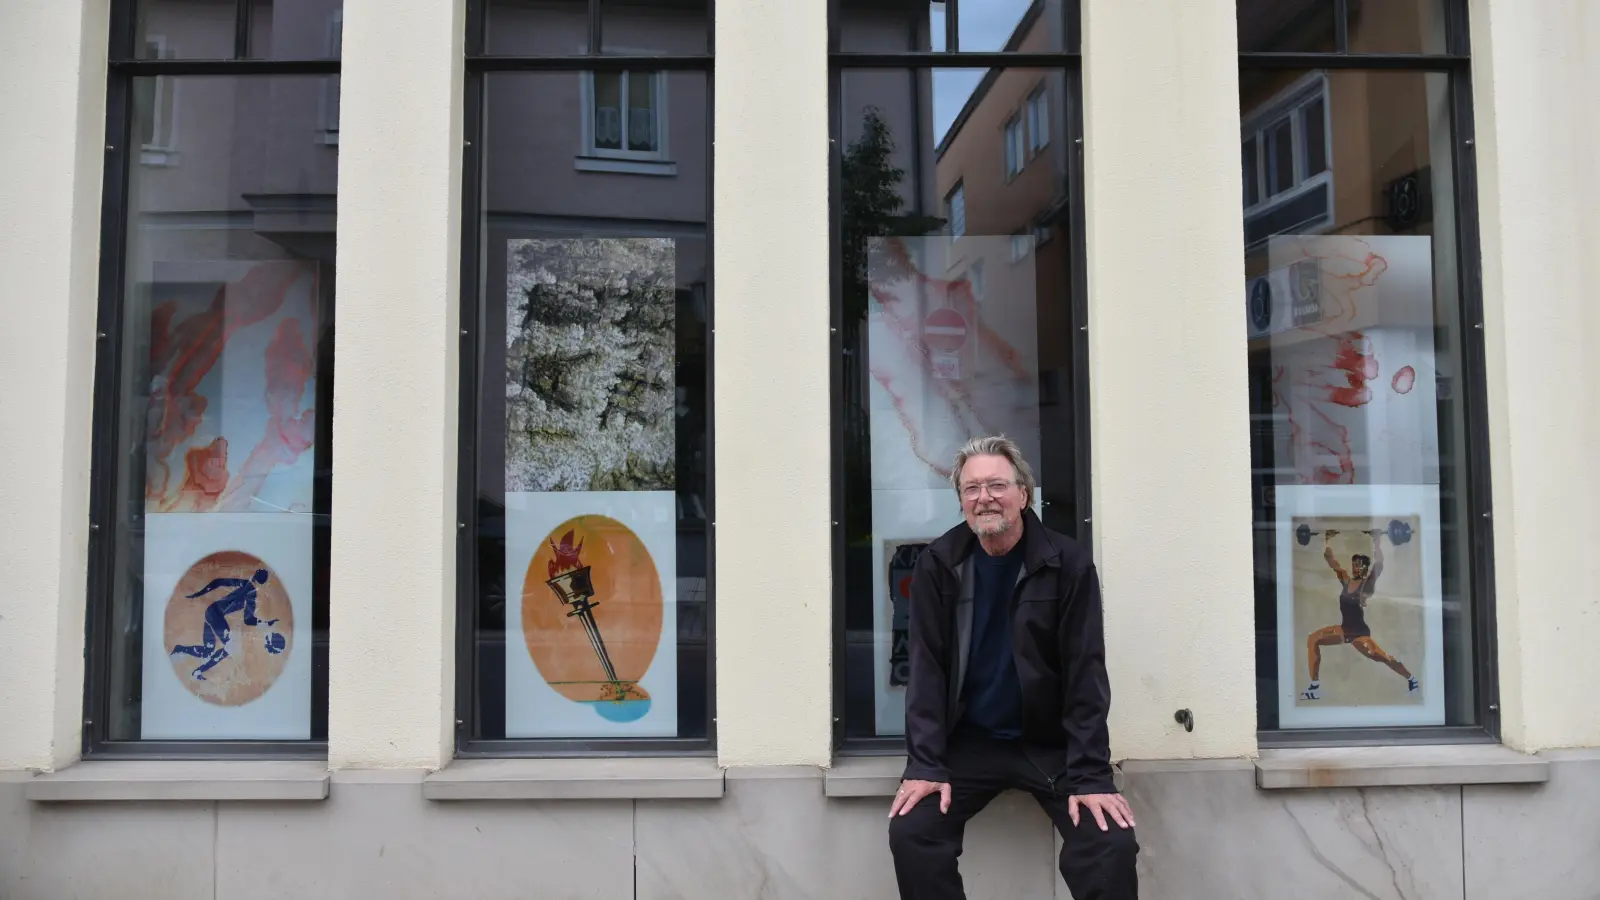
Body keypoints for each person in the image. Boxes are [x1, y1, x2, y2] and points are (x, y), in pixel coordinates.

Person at [888, 436, 1138, 900]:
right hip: (968, 744)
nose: (984, 498)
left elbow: (1086, 673)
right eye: (972, 488)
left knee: (1109, 843)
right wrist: (925, 764)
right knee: (913, 833)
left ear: (1024, 493)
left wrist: (1090, 776)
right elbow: (925, 671)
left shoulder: (1067, 565)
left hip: (1048, 746)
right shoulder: (938, 565)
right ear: (961, 500)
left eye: (997, 485)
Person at [1300, 530, 1418, 700]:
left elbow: (1380, 563)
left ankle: (1411, 679)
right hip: (1344, 630)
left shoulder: (1366, 585)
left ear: (1365, 567)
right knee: (1313, 639)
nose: (1356, 567)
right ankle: (1314, 687)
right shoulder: (1347, 581)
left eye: (1360, 564)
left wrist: (1376, 540)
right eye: (1354, 564)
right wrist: (1326, 540)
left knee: (1383, 658)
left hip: (1359, 634)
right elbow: (1332, 562)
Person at [170, 569, 278, 680]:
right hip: (215, 615)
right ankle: (197, 671)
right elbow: (248, 620)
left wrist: (199, 593)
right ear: (263, 583)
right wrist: (265, 623)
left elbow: (219, 581)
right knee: (231, 646)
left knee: (208, 651)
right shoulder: (251, 593)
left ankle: (180, 650)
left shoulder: (245, 583)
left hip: (211, 612)